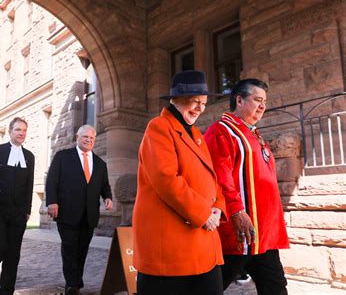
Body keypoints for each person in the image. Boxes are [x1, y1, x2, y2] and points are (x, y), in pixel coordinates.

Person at [132, 70, 226, 295]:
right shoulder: (159, 126)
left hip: (203, 239)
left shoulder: (196, 134)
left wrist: (218, 208)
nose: (200, 108)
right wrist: (204, 214)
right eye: (195, 101)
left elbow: (212, 179)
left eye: (203, 103)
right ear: (175, 99)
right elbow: (166, 180)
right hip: (172, 246)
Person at [204, 78, 290, 294]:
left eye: (265, 101)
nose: (263, 106)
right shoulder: (221, 131)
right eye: (257, 100)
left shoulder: (253, 134)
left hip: (264, 236)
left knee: (276, 289)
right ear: (239, 100)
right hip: (238, 234)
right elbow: (220, 178)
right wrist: (236, 210)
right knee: (209, 289)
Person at [46, 124, 113, 295]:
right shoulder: (62, 157)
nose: (89, 140)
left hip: (89, 215)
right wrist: (52, 202)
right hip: (67, 213)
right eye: (85, 137)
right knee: (69, 248)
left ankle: (76, 281)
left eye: (92, 138)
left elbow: (104, 185)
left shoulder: (100, 163)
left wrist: (108, 197)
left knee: (82, 249)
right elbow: (52, 181)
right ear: (77, 137)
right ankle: (72, 285)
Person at [0, 117, 35, 295]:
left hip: (18, 214)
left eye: (24, 130)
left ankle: (6, 290)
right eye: (18, 130)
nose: (21, 133)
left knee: (13, 255)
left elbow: (30, 185)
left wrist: (27, 210)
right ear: (10, 131)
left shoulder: (29, 156)